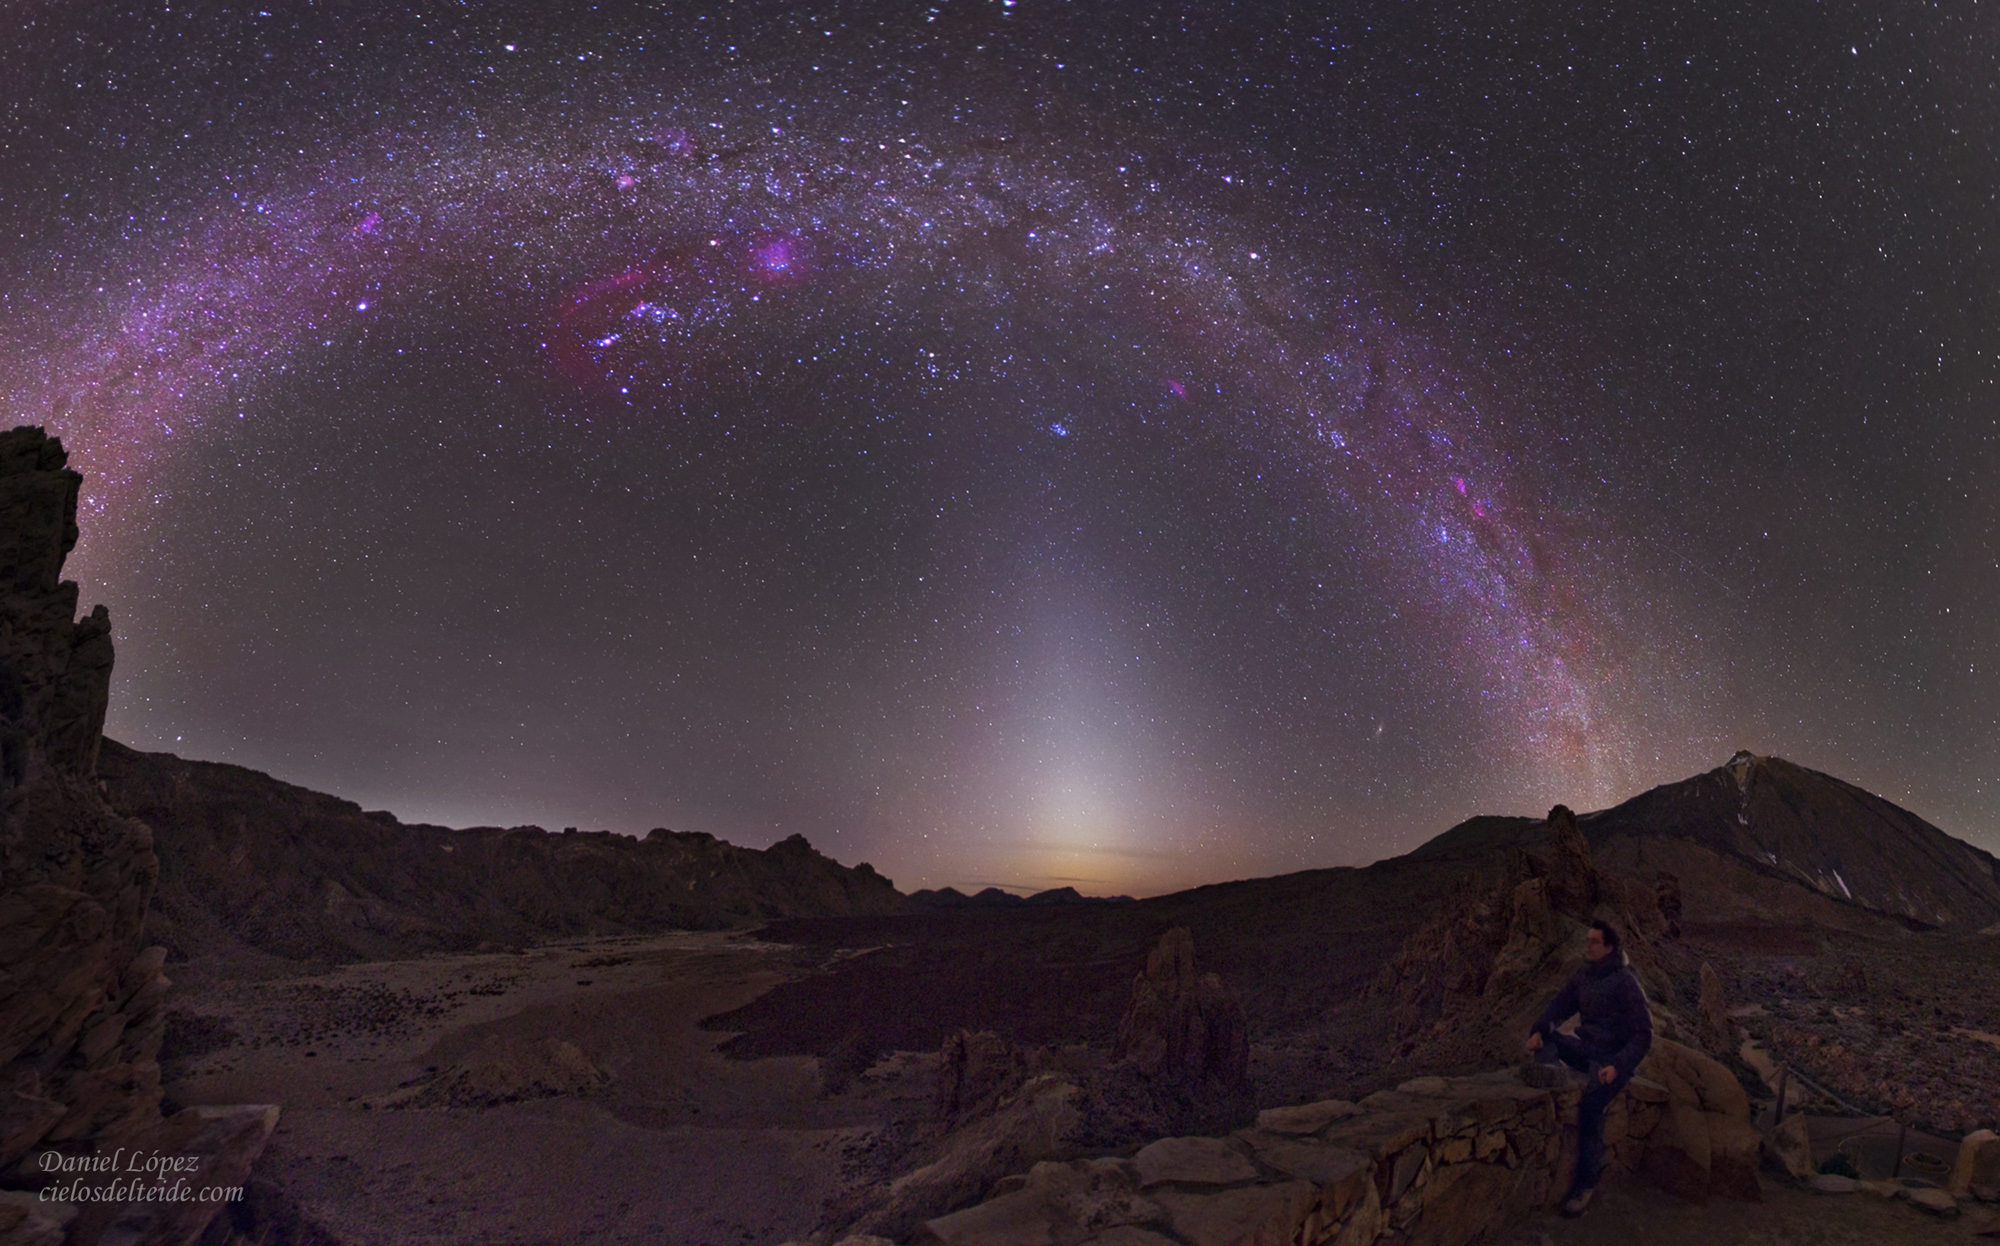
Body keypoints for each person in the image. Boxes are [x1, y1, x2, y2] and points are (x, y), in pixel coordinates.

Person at [1524, 918, 1652, 1218]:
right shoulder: (1584, 976)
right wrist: (1539, 1030)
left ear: (1609, 947)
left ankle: (1585, 1184)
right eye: (1588, 940)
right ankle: (1549, 1073)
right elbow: (1559, 1006)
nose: (1588, 946)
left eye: (1594, 941)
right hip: (1588, 1049)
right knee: (1549, 1040)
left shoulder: (1626, 982)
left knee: (1591, 1109)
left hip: (1613, 1060)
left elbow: (1643, 1035)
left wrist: (1618, 1066)